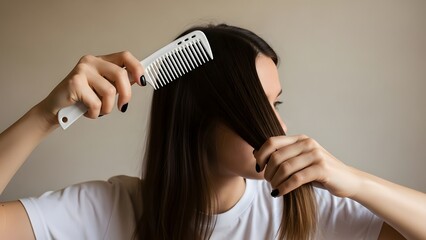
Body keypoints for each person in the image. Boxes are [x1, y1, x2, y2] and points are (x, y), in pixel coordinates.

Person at [0, 24, 424, 240]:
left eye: (277, 105)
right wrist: (43, 116)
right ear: (198, 117)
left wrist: (355, 182)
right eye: (260, 107)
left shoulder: (301, 210)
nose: (280, 126)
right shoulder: (112, 210)